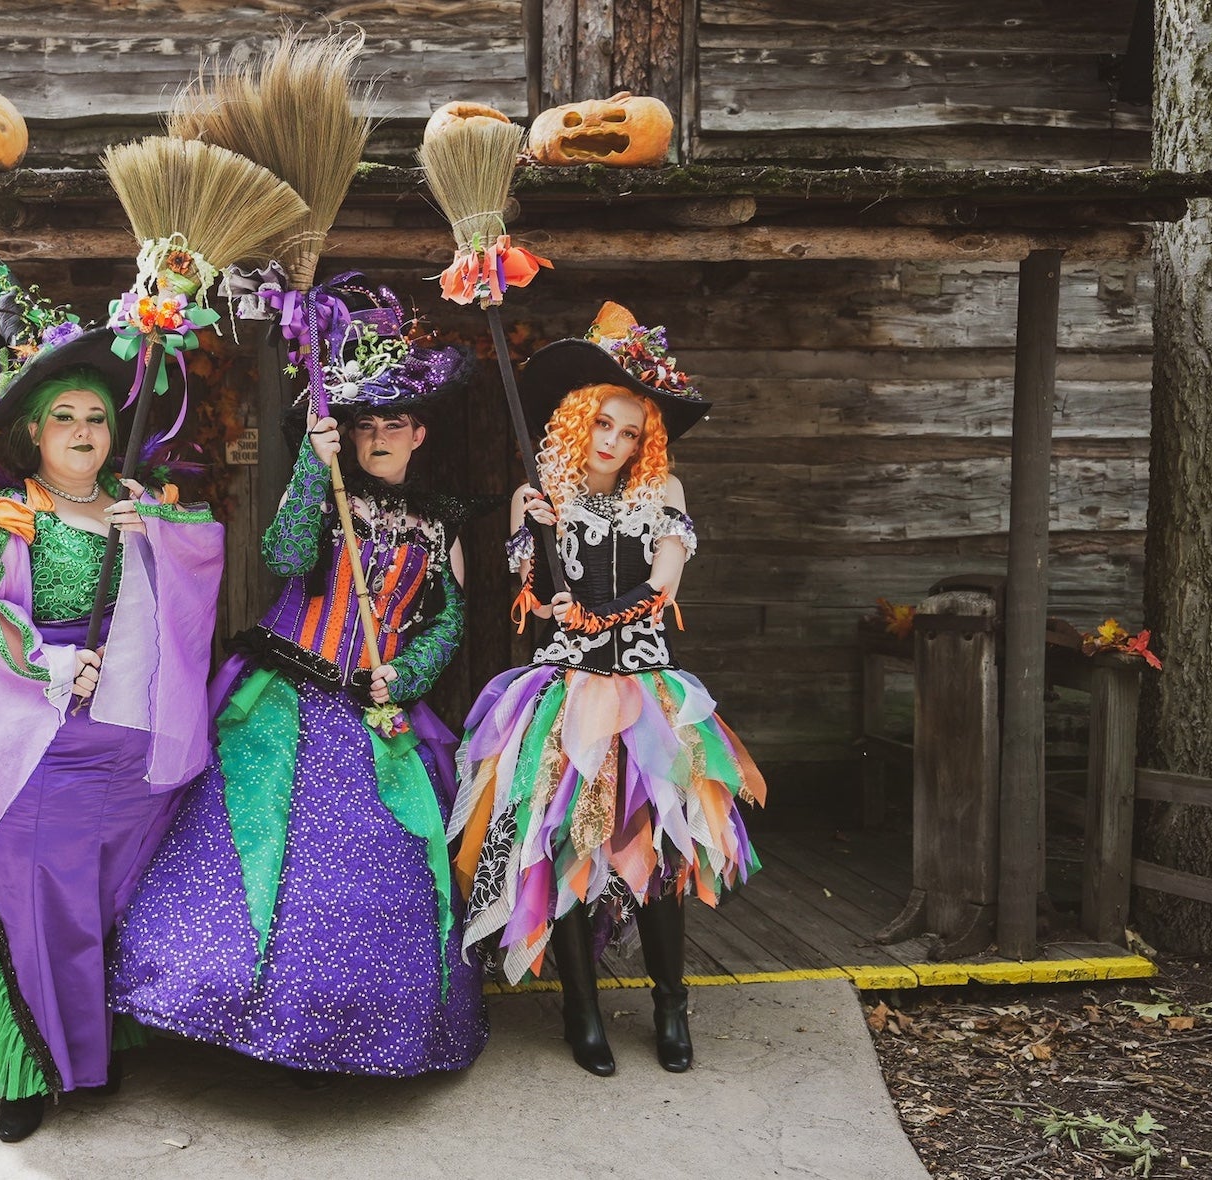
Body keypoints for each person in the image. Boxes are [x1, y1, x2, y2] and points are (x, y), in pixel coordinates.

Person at [108, 274, 487, 1081]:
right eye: (365, 426)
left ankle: (351, 1027)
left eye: (394, 423)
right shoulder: (320, 490)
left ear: (418, 433)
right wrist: (313, 473)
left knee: (382, 859)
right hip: (280, 696)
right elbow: (281, 559)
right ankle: (222, 1012)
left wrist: (407, 671)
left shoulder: (439, 524)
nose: (379, 436)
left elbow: (449, 621)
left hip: (370, 708)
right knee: (248, 846)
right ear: (345, 435)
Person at [0, 252, 224, 1142]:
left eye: (97, 419)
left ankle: (93, 1051)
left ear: (116, 434)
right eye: (64, 417)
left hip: (133, 754)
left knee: (102, 907)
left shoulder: (141, 508)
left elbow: (201, 574)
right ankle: (26, 1071)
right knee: (39, 906)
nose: (82, 430)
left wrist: (151, 527)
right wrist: (44, 665)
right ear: (35, 434)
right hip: (43, 750)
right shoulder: (6, 519)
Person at [449, 302, 766, 1077]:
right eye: (605, 427)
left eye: (632, 432)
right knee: (565, 848)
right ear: (580, 421)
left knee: (655, 851)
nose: (616, 444)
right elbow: (527, 587)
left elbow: (663, 582)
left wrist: (602, 616)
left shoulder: (667, 495)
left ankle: (669, 1003)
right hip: (566, 693)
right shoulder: (542, 497)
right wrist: (540, 555)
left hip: (647, 696)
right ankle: (582, 1011)